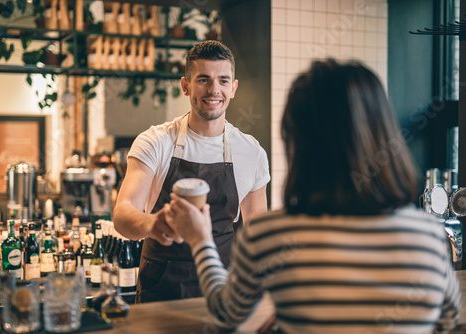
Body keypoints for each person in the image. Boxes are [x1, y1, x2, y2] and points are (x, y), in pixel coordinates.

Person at [164, 59, 461, 333]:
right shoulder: (430, 236)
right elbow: (447, 321)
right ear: (384, 133)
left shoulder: (269, 235)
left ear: (297, 142)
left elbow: (226, 312)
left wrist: (200, 239)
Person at [113, 40, 270, 303]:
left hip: (223, 287)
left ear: (233, 88)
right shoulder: (155, 141)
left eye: (222, 80)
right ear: (185, 86)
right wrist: (151, 224)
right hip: (162, 286)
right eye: (203, 80)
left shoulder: (251, 152)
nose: (213, 90)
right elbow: (122, 214)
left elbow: (256, 235)